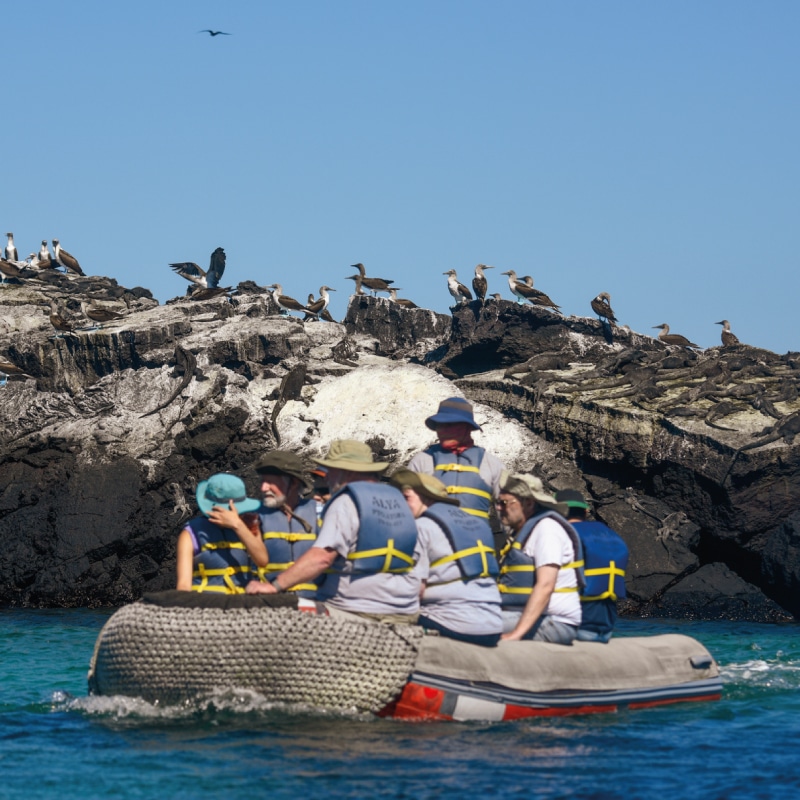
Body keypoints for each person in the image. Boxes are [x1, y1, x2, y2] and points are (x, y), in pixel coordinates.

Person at [247, 440, 422, 624]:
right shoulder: (399, 501)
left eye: (330, 471)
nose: (327, 478)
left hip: (356, 611)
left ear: (345, 471)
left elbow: (322, 557)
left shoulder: (346, 501)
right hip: (405, 610)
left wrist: (274, 587)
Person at [391, 468, 503, 646]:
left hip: (450, 623)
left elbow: (415, 590)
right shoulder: (477, 524)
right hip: (493, 625)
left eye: (407, 498)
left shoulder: (421, 527)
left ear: (426, 498)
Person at [496, 472, 584, 644]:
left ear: (528, 503)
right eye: (497, 503)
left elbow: (546, 585)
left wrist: (516, 634)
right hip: (523, 616)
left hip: (555, 622)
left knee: (472, 623)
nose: (498, 508)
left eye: (504, 503)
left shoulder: (547, 530)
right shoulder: (522, 533)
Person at [406, 396, 505, 521]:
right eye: (439, 425)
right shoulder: (421, 461)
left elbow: (511, 514)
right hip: (431, 539)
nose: (443, 430)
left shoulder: (492, 464)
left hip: (475, 540)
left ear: (467, 427)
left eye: (450, 425)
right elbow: (405, 514)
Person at [555, 489, 629, 643]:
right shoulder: (609, 533)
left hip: (575, 627)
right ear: (586, 511)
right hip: (606, 629)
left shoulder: (564, 535)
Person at [176, 473, 265, 593]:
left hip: (242, 606)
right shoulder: (190, 534)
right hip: (206, 607)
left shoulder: (249, 525)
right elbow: (183, 586)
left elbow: (262, 560)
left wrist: (238, 525)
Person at [249, 451, 321, 597]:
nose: (263, 488)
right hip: (267, 603)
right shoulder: (252, 517)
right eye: (262, 481)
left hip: (316, 604)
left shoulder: (321, 513)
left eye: (270, 482)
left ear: (293, 483)